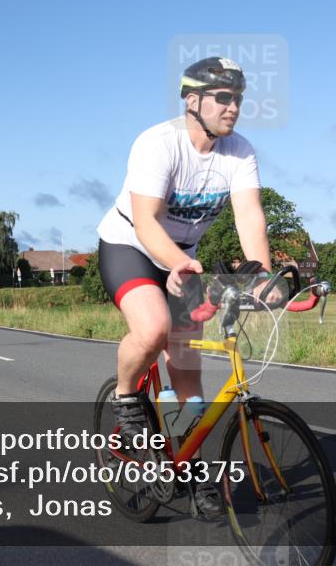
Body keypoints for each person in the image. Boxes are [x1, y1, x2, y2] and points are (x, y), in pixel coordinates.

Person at [96, 56, 276, 514]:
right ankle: (125, 397)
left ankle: (188, 465)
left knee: (186, 370)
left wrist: (262, 276)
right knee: (154, 329)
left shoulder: (240, 151)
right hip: (132, 245)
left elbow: (249, 215)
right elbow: (145, 221)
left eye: (238, 98)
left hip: (183, 258)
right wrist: (177, 263)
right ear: (192, 100)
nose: (234, 107)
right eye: (223, 97)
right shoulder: (158, 144)